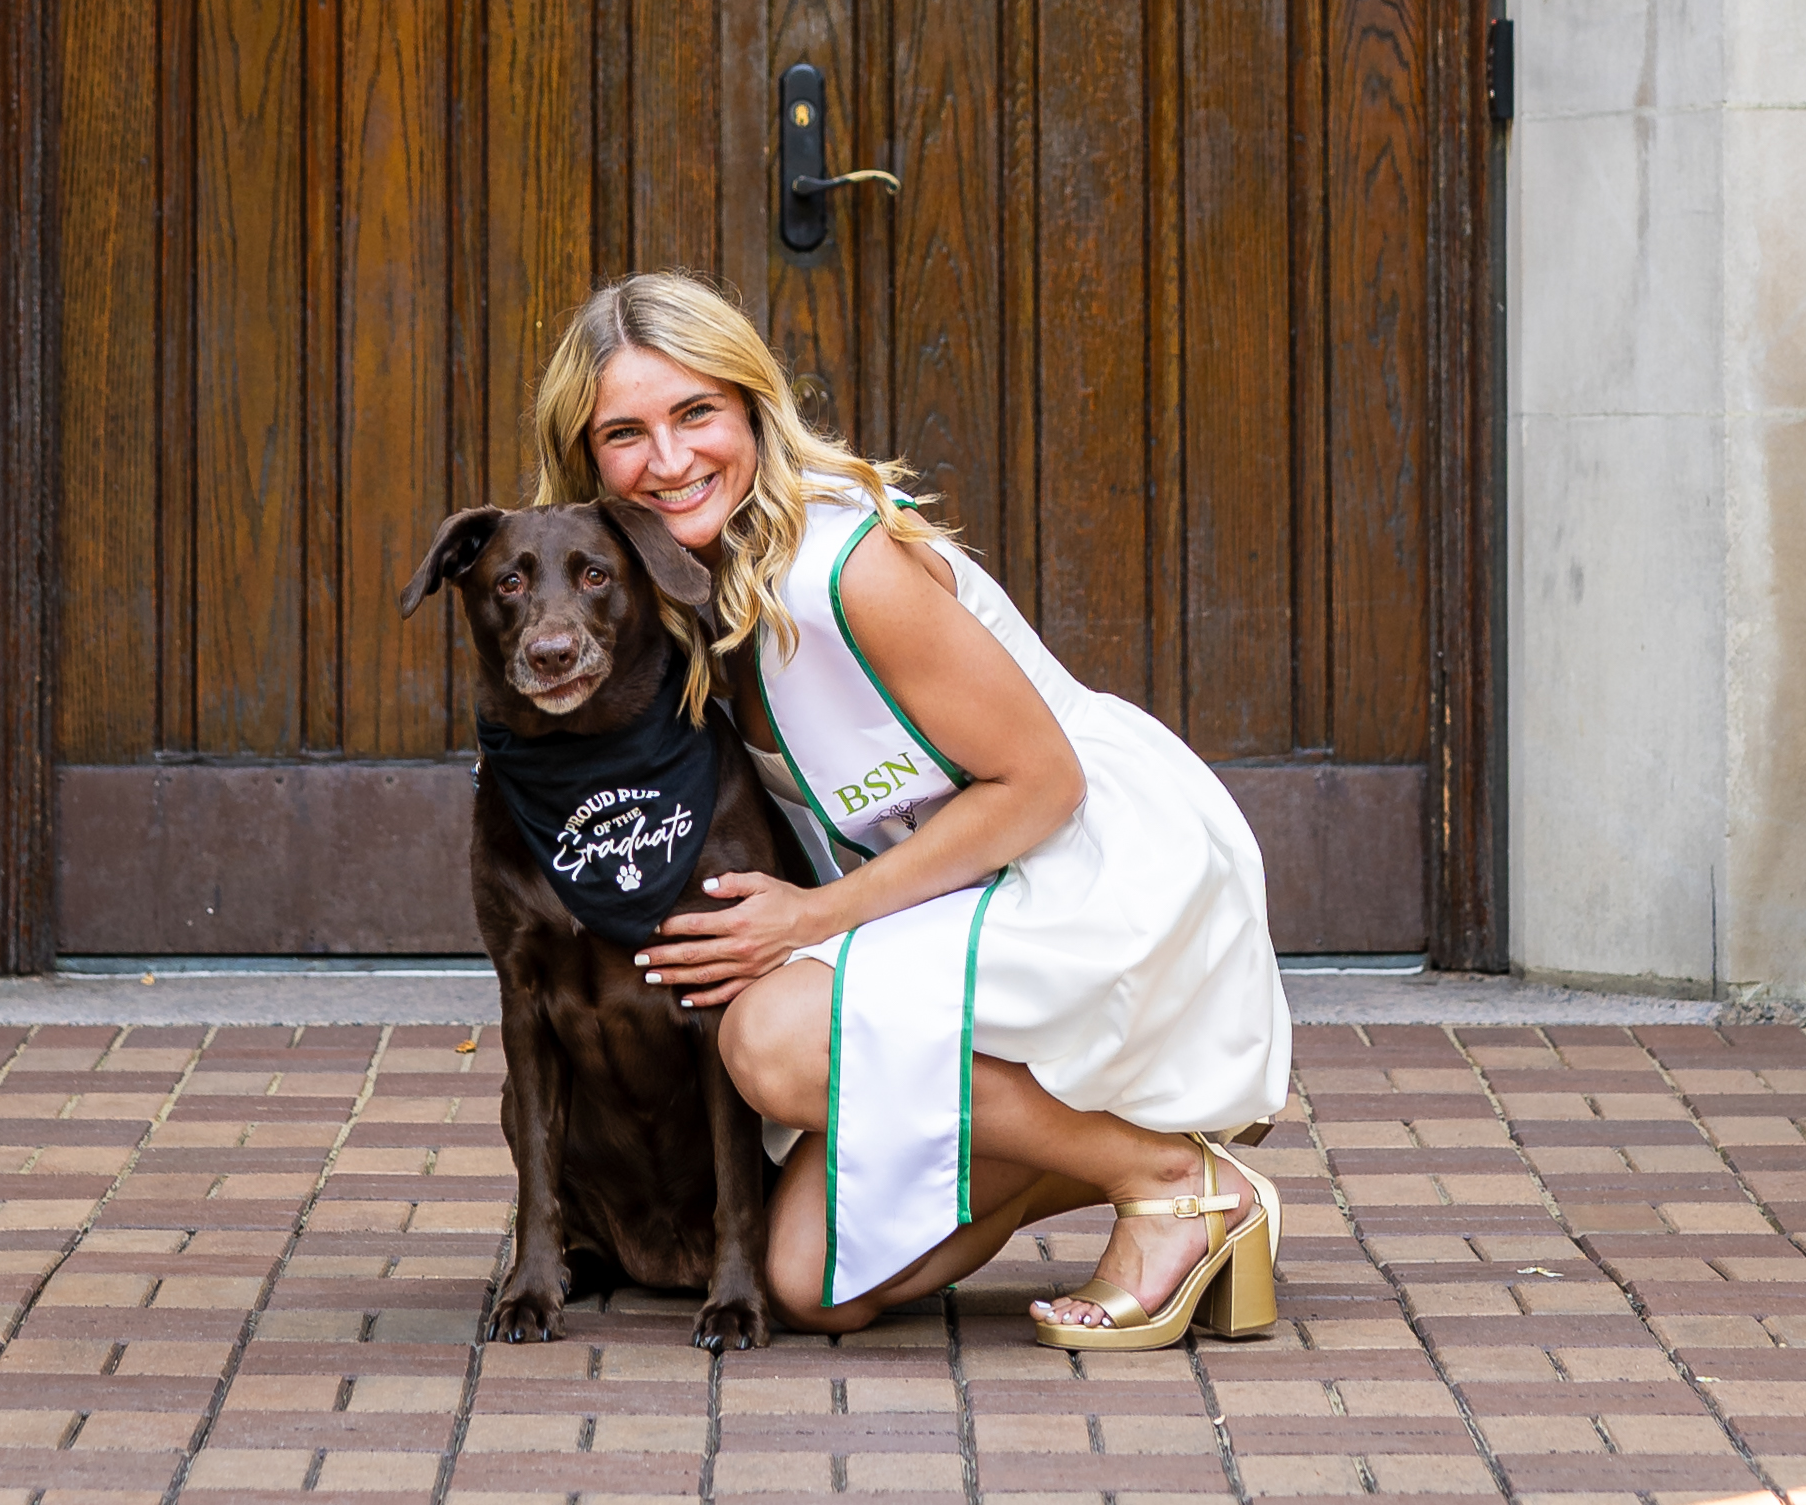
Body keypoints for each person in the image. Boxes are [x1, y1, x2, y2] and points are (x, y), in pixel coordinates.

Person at [526, 270, 1292, 1344]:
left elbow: (1042, 781)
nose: (667, 459)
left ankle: (1167, 1178)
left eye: (696, 411)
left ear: (751, 404)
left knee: (777, 1039)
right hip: (954, 888)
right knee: (808, 1282)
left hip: (1084, 865)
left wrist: (807, 920)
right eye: (625, 432)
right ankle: (1128, 1145)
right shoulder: (666, 594)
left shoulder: (841, 568)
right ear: (586, 455)